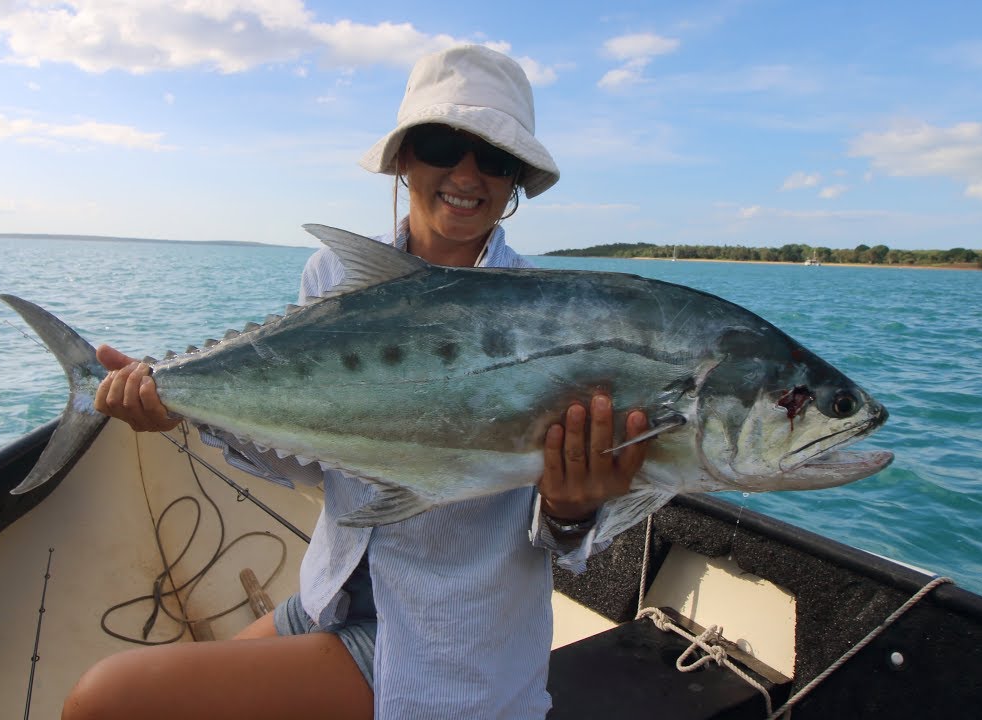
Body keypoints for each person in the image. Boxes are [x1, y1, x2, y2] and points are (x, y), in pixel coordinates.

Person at [62, 44, 650, 720]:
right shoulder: (333, 279)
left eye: (493, 158)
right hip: (330, 596)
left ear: (514, 181)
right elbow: (310, 462)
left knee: (104, 701)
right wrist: (180, 408)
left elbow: (562, 546)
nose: (465, 173)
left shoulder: (551, 320)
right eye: (439, 144)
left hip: (451, 649)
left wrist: (573, 510)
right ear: (404, 159)